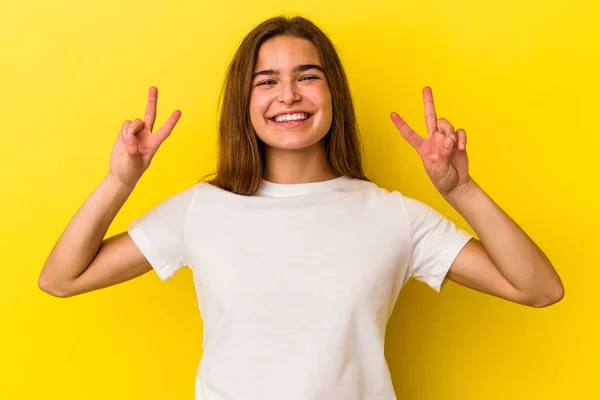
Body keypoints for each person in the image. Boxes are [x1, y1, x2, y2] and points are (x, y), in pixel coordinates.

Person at [38, 15, 564, 400]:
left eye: (307, 76)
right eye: (266, 81)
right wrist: (118, 182)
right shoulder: (201, 210)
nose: (287, 95)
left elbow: (539, 288)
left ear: (333, 92)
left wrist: (460, 190)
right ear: (245, 104)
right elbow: (61, 278)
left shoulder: (392, 216)